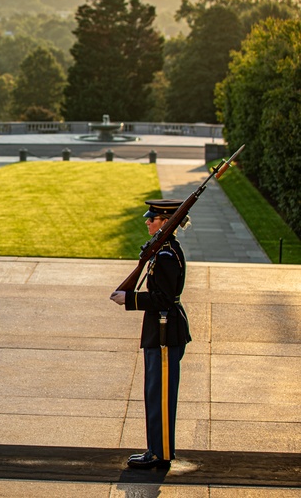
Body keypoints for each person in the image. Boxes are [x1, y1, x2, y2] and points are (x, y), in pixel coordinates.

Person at [110, 198, 191, 469]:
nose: (147, 221)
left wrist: (130, 300)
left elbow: (164, 298)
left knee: (161, 396)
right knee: (155, 392)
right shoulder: (163, 251)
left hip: (166, 332)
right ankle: (156, 448)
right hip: (159, 330)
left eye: (153, 218)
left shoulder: (167, 255)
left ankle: (161, 452)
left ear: (166, 222)